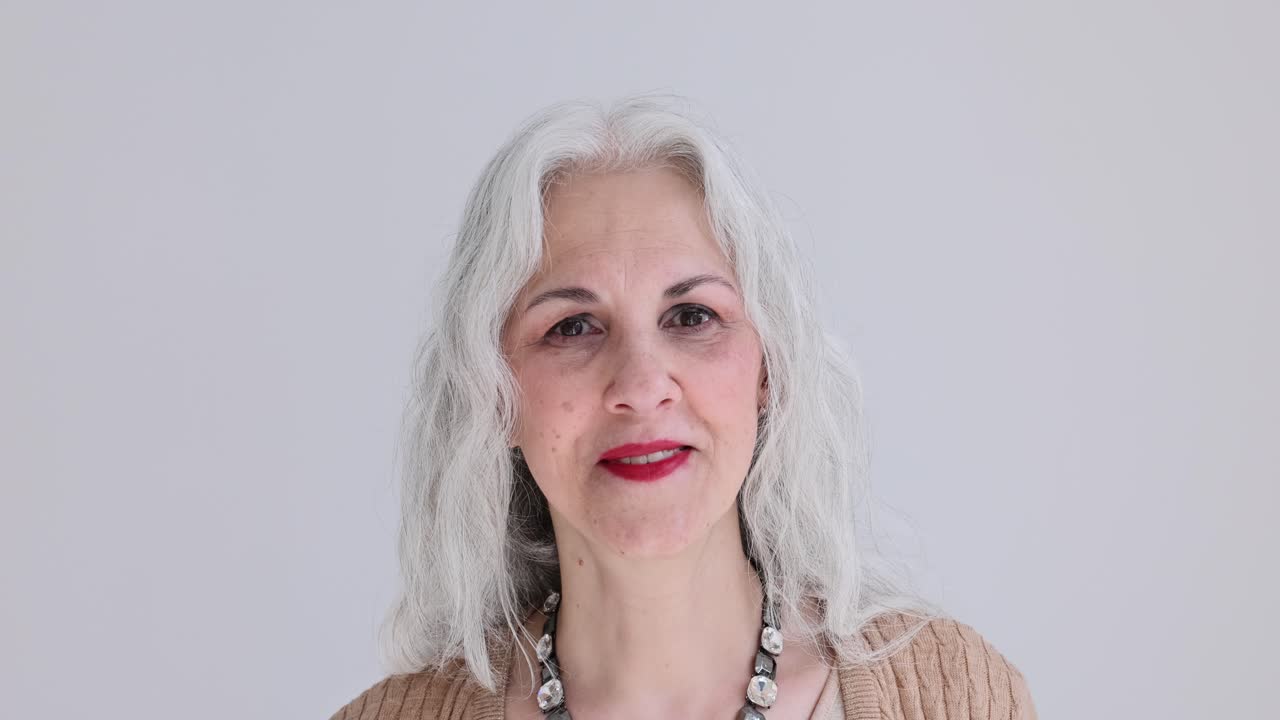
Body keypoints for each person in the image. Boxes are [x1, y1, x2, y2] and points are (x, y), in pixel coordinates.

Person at [329, 93, 1037, 720]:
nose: (641, 384)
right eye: (572, 327)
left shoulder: (952, 699)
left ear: (770, 369)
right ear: (493, 393)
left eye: (692, 316)